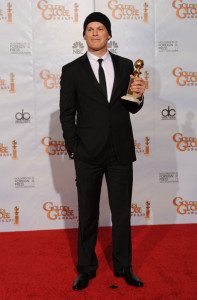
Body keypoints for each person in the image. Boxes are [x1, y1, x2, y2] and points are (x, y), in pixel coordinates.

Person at [60, 12, 145, 291]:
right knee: (88, 213)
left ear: (109, 34)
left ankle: (124, 266)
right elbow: (67, 113)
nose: (95, 33)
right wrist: (74, 149)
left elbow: (131, 106)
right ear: (84, 36)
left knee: (122, 214)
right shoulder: (71, 70)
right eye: (90, 29)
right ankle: (86, 268)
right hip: (87, 154)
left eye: (100, 29)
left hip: (120, 151)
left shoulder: (126, 66)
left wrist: (139, 95)